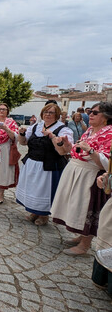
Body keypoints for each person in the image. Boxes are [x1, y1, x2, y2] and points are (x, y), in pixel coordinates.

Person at [51, 102, 112, 255]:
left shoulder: (109, 134)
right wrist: (67, 145)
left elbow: (106, 163)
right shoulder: (90, 130)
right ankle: (81, 236)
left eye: (95, 113)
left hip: (91, 175)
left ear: (106, 117)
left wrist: (90, 150)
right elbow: (75, 150)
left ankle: (85, 245)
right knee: (76, 206)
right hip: (77, 169)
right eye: (90, 111)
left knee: (87, 208)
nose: (90, 114)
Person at [16, 103, 73, 225]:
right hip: (32, 162)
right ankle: (34, 212)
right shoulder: (36, 126)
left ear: (57, 115)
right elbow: (24, 143)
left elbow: (63, 151)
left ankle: (44, 215)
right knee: (33, 189)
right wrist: (21, 134)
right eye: (45, 112)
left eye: (51, 112)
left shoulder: (63, 129)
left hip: (49, 165)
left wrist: (52, 136)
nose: (47, 114)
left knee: (44, 190)